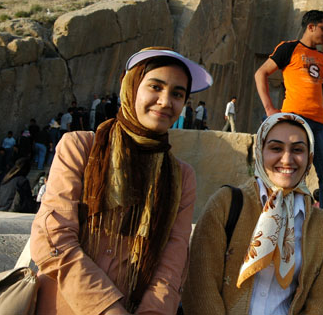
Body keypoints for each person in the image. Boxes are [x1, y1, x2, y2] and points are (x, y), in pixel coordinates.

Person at [29, 47, 212, 315]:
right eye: (155, 86)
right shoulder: (80, 148)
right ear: (131, 86)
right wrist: (108, 309)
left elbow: (172, 263)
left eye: (177, 94)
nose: (165, 101)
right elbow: (53, 238)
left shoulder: (182, 177)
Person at [183, 113, 323, 315]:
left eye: (298, 150)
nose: (287, 159)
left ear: (309, 157)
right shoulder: (225, 204)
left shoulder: (321, 226)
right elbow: (201, 286)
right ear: (260, 151)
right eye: (276, 148)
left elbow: (320, 300)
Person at [254, 10, 323, 226]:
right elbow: (261, 73)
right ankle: (277, 217)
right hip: (294, 120)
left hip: (319, 124)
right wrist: (269, 108)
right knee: (289, 170)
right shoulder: (289, 48)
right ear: (310, 27)